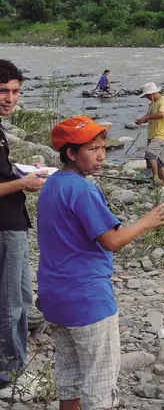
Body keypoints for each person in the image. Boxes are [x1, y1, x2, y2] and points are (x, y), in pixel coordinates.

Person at [37, 116, 164, 410]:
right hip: (88, 300)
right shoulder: (83, 189)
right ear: (71, 153)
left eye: (103, 148)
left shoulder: (51, 184)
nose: (101, 155)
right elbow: (111, 240)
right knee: (100, 388)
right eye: (92, 149)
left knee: (69, 381)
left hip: (54, 297)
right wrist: (147, 221)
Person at [0, 59, 46, 386]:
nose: (10, 98)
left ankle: (16, 368)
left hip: (14, 223)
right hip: (4, 227)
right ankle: (8, 377)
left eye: (16, 91)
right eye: (3, 91)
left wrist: (20, 170)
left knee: (20, 299)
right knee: (9, 304)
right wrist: (22, 184)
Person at [135, 82, 164, 187]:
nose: (146, 98)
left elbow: (162, 114)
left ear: (152, 93)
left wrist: (147, 118)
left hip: (161, 134)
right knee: (157, 159)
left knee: (150, 153)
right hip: (152, 134)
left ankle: (155, 178)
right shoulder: (152, 104)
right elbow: (148, 116)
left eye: (147, 95)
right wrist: (141, 120)